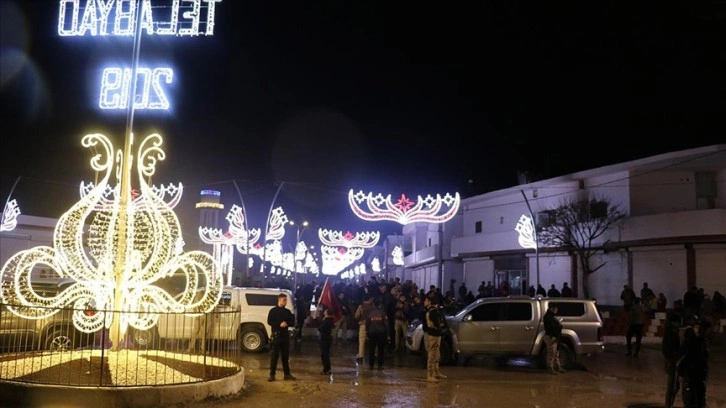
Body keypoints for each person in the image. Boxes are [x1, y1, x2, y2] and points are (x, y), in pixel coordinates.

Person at [677, 318, 709, 408]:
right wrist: (682, 375)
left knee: (700, 401)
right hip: (690, 377)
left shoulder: (702, 342)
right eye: (696, 327)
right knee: (690, 401)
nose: (699, 330)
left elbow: (704, 360)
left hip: (699, 377)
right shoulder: (689, 342)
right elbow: (682, 360)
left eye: (701, 328)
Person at [267, 293, 296, 382]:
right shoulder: (273, 311)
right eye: (284, 300)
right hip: (276, 335)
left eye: (286, 300)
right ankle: (272, 374)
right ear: (279, 300)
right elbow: (269, 321)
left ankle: (287, 374)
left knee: (285, 356)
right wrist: (279, 324)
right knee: (274, 356)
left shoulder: (287, 312)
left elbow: (292, 322)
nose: (285, 302)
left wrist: (287, 323)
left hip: (285, 336)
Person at [423, 294, 447, 382]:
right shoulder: (432, 312)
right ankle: (430, 374)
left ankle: (436, 372)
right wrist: (440, 327)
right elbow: (437, 324)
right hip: (433, 334)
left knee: (436, 354)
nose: (424, 302)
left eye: (426, 301)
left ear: (430, 302)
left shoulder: (433, 311)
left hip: (435, 334)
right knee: (432, 354)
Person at [662, 311, 681, 408]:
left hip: (670, 360)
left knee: (675, 385)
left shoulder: (669, 330)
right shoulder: (673, 331)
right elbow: (674, 346)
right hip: (672, 361)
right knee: (672, 386)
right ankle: (668, 405)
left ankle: (669, 404)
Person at [365, 297, 389, 370]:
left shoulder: (370, 313)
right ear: (380, 304)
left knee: (371, 350)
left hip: (372, 333)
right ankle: (380, 365)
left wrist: (367, 332)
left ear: (373, 304)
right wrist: (387, 334)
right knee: (380, 350)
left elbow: (367, 324)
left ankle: (371, 365)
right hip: (381, 333)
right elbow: (386, 324)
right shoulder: (382, 313)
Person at [543, 304, 565, 374]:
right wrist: (559, 325)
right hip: (551, 336)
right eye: (555, 308)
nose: (557, 310)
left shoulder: (552, 316)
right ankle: (550, 368)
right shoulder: (548, 317)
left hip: (555, 336)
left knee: (556, 352)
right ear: (551, 308)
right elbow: (551, 327)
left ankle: (558, 367)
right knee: (551, 353)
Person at [354, 294, 374, 364]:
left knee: (362, 341)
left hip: (363, 324)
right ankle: (374, 354)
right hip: (372, 325)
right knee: (373, 340)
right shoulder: (373, 306)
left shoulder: (361, 306)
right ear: (369, 299)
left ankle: (361, 355)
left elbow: (357, 316)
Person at [318, 308, 334, 375]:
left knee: (324, 355)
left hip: (325, 339)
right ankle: (327, 368)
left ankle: (326, 369)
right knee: (326, 354)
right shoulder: (330, 320)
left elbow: (320, 328)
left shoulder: (327, 320)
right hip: (327, 339)